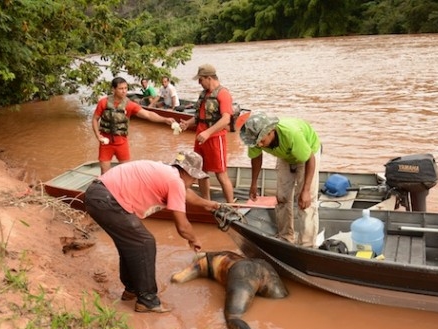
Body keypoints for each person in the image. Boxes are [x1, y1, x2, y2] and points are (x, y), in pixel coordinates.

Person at [84, 150, 220, 313]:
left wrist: (207, 204)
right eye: (194, 177)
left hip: (97, 195)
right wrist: (194, 239)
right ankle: (147, 300)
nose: (194, 181)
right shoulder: (175, 181)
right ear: (187, 172)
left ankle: (132, 290)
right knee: (144, 243)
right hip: (108, 200)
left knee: (130, 244)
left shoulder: (168, 173)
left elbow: (187, 194)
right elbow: (182, 226)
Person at [239, 112, 322, 247]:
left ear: (271, 131)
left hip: (307, 154)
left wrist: (306, 190)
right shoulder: (254, 139)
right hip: (285, 155)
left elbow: (309, 159)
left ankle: (307, 245)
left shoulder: (291, 134)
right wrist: (254, 183)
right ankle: (285, 237)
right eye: (256, 142)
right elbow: (256, 157)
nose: (259, 145)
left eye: (262, 141)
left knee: (305, 202)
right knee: (282, 197)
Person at [91, 77, 177, 175]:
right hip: (105, 143)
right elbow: (95, 119)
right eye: (121, 89)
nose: (124, 91)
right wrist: (98, 136)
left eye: (126, 88)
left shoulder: (129, 105)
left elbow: (148, 114)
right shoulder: (103, 102)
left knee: (126, 171)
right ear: (113, 89)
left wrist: (164, 119)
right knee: (104, 172)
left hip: (121, 142)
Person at [179, 64, 234, 204]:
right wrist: (187, 123)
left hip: (215, 139)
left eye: (201, 79)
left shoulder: (223, 94)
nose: (199, 82)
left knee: (221, 174)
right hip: (200, 137)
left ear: (209, 78)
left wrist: (208, 133)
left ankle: (231, 205)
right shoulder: (204, 94)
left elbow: (226, 118)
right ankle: (206, 202)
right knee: (201, 171)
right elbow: (199, 117)